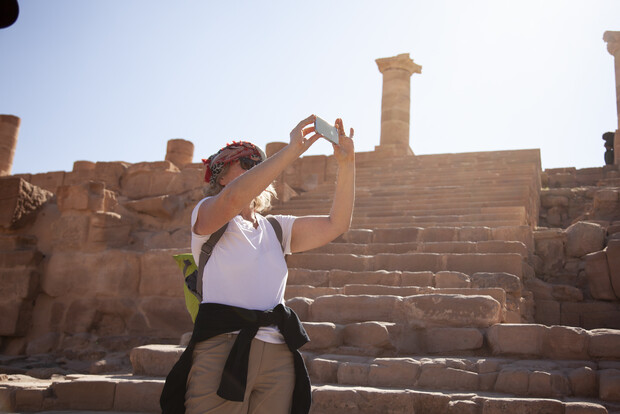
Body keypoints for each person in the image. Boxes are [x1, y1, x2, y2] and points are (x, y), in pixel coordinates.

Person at [160, 115, 354, 414]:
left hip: (277, 353)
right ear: (221, 176)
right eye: (246, 163)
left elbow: (336, 224)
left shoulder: (277, 228)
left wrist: (346, 163)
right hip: (222, 349)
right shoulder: (207, 215)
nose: (256, 169)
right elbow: (233, 199)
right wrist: (292, 150)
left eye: (259, 164)